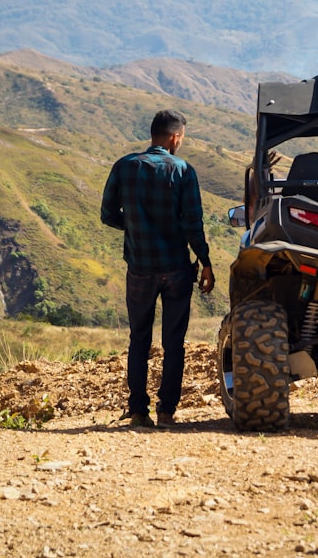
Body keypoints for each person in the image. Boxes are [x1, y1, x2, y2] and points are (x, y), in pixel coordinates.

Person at [101, 109, 215, 429]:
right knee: (173, 342)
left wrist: (136, 227)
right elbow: (193, 224)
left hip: (139, 267)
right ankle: (166, 411)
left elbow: (108, 214)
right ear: (175, 137)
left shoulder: (124, 167)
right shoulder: (182, 170)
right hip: (177, 269)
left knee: (139, 339)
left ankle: (138, 410)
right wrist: (205, 263)